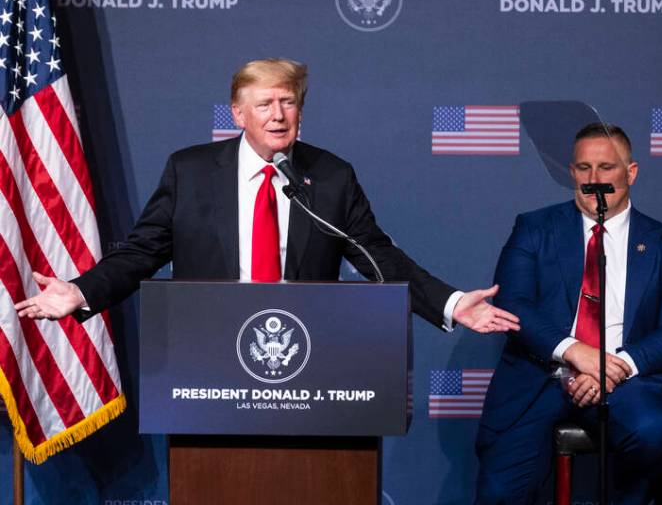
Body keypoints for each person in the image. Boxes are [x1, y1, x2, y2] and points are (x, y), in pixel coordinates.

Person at [15, 58, 517, 335]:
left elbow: (376, 256)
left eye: (287, 102)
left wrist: (451, 304)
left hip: (305, 356)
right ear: (237, 114)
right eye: (264, 104)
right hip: (208, 356)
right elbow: (142, 251)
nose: (277, 115)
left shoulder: (331, 175)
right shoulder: (190, 171)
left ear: (301, 111)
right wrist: (81, 291)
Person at [457, 122, 662, 505]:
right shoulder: (534, 229)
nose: (595, 180)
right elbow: (515, 306)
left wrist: (616, 367)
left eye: (607, 168)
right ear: (572, 173)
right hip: (542, 376)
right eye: (584, 169)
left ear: (630, 173)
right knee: (496, 498)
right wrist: (574, 354)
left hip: (625, 379)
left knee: (653, 431)